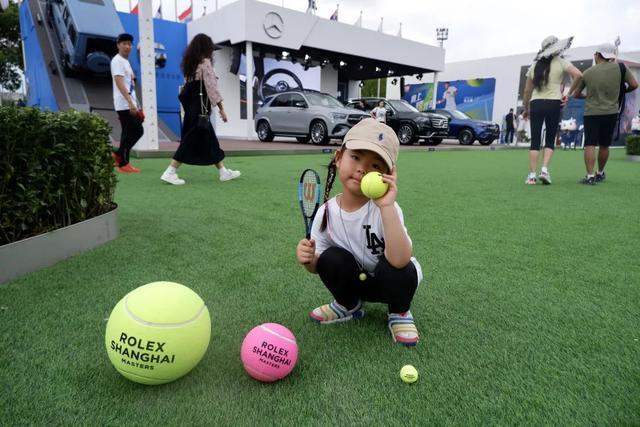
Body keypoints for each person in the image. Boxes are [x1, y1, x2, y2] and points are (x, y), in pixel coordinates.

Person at [295, 118, 423, 347]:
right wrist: (307, 260)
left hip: (391, 284)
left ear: (388, 175)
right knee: (330, 258)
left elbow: (400, 260)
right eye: (355, 157)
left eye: (375, 166)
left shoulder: (387, 209)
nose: (363, 168)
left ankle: (399, 312)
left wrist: (386, 206)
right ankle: (348, 304)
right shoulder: (326, 213)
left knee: (398, 269)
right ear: (338, 158)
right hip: (355, 282)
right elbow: (318, 266)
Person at [160, 34, 240, 185]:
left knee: (209, 139)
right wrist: (222, 109)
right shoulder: (205, 62)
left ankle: (223, 172)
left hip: (191, 106)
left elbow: (188, 88)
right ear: (206, 48)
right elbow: (211, 88)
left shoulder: (190, 64)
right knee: (190, 138)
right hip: (199, 108)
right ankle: (170, 171)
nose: (212, 52)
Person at [569, 43, 638, 184]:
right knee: (604, 145)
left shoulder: (588, 72)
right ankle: (600, 173)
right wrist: (621, 91)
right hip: (611, 111)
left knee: (589, 144)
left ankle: (589, 176)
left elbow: (576, 94)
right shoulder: (621, 68)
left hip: (591, 113)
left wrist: (587, 96)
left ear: (598, 55)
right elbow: (634, 84)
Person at [522, 35, 582, 185]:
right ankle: (544, 171)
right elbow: (579, 75)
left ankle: (531, 176)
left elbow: (527, 91)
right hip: (554, 103)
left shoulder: (534, 66)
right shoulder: (561, 62)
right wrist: (568, 94)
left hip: (536, 103)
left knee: (535, 140)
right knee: (550, 138)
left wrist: (525, 108)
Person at [111, 33, 144, 173]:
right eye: (124, 43)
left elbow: (130, 83)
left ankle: (120, 158)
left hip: (129, 102)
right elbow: (119, 82)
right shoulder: (117, 60)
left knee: (129, 131)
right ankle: (122, 161)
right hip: (124, 103)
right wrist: (130, 102)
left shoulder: (125, 62)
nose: (127, 46)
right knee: (136, 130)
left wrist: (136, 104)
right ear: (118, 45)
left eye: (129, 44)